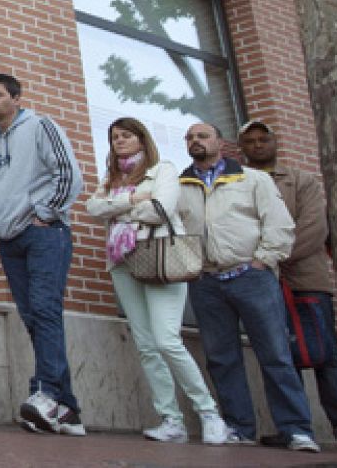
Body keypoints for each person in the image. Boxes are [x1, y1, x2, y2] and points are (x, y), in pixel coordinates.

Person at [82, 117, 226, 444]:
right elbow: (93, 207)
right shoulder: (112, 177)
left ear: (142, 139)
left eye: (126, 136)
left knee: (166, 340)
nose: (119, 141)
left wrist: (118, 207)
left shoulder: (163, 169)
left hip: (160, 256)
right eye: (115, 136)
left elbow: (160, 209)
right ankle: (170, 419)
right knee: (146, 345)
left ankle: (208, 412)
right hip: (123, 263)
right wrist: (133, 200)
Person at [177, 121, 318, 452]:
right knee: (221, 358)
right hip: (207, 282)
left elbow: (279, 223)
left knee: (275, 353)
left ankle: (297, 429)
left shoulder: (252, 179)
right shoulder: (180, 185)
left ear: (221, 143)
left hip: (251, 277)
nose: (195, 141)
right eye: (189, 137)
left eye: (202, 136)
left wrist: (263, 259)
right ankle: (239, 426)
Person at [0, 72, 85, 436]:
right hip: (9, 241)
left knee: (45, 309)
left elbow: (69, 174)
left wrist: (45, 212)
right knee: (33, 317)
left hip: (44, 234)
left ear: (16, 98)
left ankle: (46, 393)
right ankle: (67, 410)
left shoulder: (41, 126)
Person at [237, 119, 337, 453]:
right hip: (259, 281)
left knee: (325, 354)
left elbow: (314, 228)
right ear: (242, 147)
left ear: (275, 143)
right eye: (250, 141)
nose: (258, 145)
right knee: (278, 355)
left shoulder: (301, 181)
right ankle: (293, 427)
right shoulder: (239, 182)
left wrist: (271, 256)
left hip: (304, 280)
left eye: (263, 140)